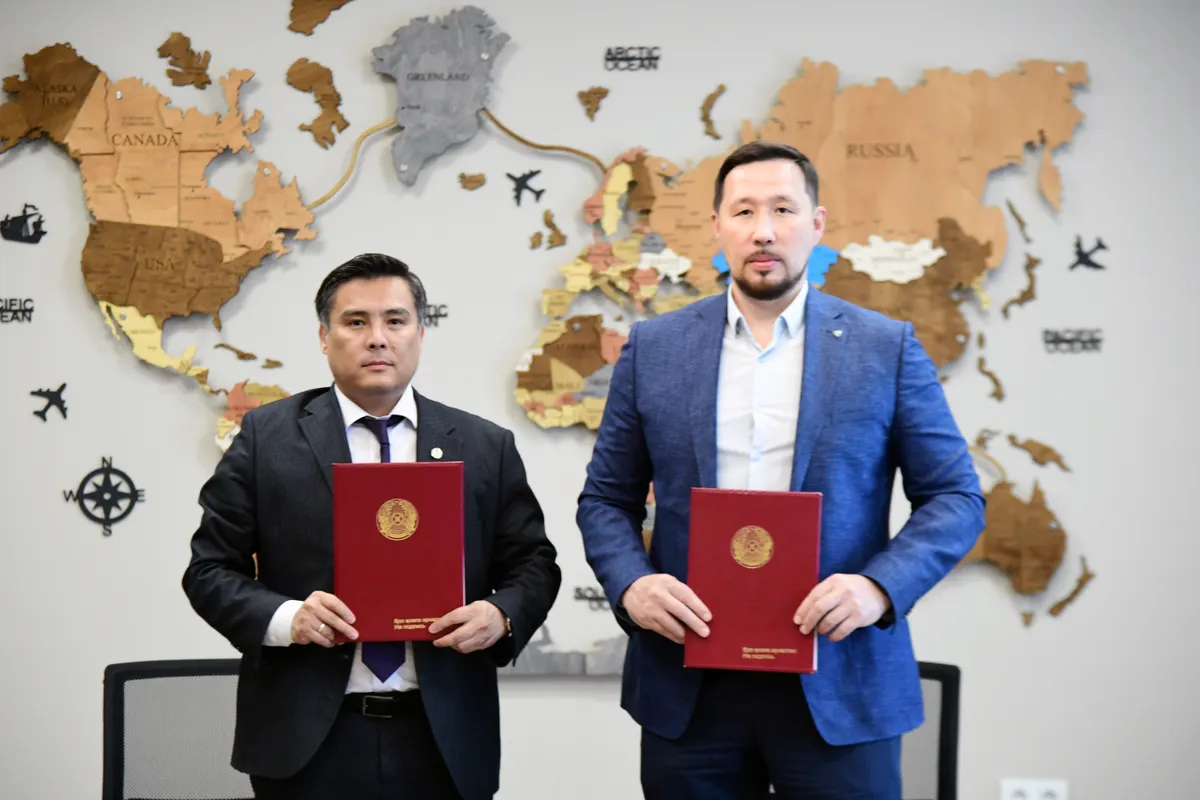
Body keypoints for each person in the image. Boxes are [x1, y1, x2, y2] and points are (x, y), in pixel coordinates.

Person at [576, 141, 985, 798]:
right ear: (717, 226)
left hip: (839, 679)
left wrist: (878, 588)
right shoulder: (655, 349)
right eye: (743, 211)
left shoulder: (885, 349)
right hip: (691, 686)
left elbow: (956, 498)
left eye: (783, 209)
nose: (763, 230)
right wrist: (632, 585)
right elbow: (605, 499)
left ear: (816, 225)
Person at [183, 253, 561, 800]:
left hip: (443, 738)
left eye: (395, 320)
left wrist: (500, 615)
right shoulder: (267, 438)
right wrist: (289, 618)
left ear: (420, 333)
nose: (377, 338)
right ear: (324, 336)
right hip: (307, 740)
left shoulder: (483, 445)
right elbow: (209, 571)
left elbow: (534, 565)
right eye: (355, 321)